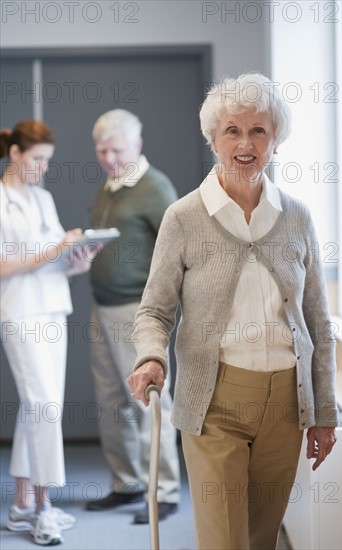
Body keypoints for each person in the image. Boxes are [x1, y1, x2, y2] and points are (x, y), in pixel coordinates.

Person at [128, 73, 338, 550]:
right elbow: (155, 311)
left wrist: (322, 412)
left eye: (258, 130)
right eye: (232, 131)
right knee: (224, 541)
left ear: (275, 140)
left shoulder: (297, 217)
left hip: (286, 401)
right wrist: (151, 356)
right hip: (214, 399)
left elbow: (317, 323)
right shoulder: (183, 217)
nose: (245, 144)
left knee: (261, 538)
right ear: (214, 138)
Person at [0, 120, 98, 546]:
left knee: (39, 406)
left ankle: (21, 506)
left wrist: (77, 259)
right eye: (37, 159)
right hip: (20, 313)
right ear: (16, 154)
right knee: (44, 409)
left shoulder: (43, 198)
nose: (42, 168)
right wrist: (52, 251)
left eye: (47, 161)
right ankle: (43, 508)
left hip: (53, 308)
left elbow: (56, 259)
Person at [86, 109, 180, 523]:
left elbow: (180, 251)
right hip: (101, 306)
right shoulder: (110, 186)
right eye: (102, 149)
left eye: (116, 149)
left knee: (146, 403)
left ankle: (166, 492)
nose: (108, 157)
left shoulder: (155, 188)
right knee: (111, 404)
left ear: (136, 145)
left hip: (135, 311)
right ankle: (127, 483)